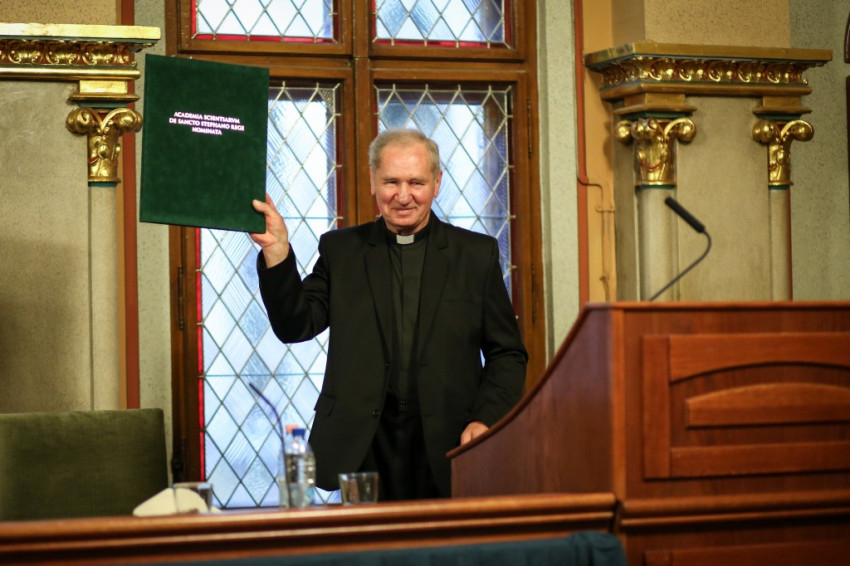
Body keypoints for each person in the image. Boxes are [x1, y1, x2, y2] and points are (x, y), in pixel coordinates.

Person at [250, 128, 527, 500]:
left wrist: (484, 419)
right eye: (391, 182)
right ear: (372, 181)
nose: (403, 195)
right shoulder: (341, 251)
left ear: (437, 183)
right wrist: (277, 252)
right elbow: (295, 325)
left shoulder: (475, 255)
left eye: (416, 182)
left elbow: (507, 353)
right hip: (363, 445)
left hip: (449, 441)